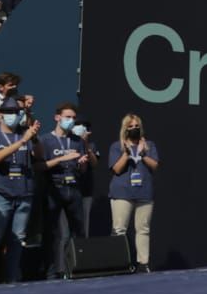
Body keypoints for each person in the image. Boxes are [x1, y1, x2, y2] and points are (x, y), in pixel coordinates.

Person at [0, 97, 40, 284]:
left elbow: (38, 156)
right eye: (8, 113)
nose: (12, 116)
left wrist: (34, 138)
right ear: (0, 114)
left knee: (18, 239)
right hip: (1, 192)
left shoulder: (25, 132)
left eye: (16, 112)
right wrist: (22, 141)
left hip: (24, 192)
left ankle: (11, 278)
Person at [39, 103, 96, 279]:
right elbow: (40, 166)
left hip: (74, 189)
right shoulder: (45, 140)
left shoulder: (77, 141)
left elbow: (83, 171)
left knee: (78, 231)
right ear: (57, 118)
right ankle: (55, 271)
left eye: (73, 118)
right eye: (67, 117)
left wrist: (82, 164)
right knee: (59, 233)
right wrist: (62, 158)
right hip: (55, 189)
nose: (70, 121)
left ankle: (76, 269)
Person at [108, 113, 160, 272]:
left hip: (144, 192)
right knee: (119, 229)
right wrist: (126, 153)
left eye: (137, 126)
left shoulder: (149, 144)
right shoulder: (117, 146)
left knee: (143, 229)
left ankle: (143, 263)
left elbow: (155, 166)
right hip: (122, 193)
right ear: (125, 129)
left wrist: (143, 153)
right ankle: (118, 263)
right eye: (130, 126)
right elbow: (116, 169)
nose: (134, 129)